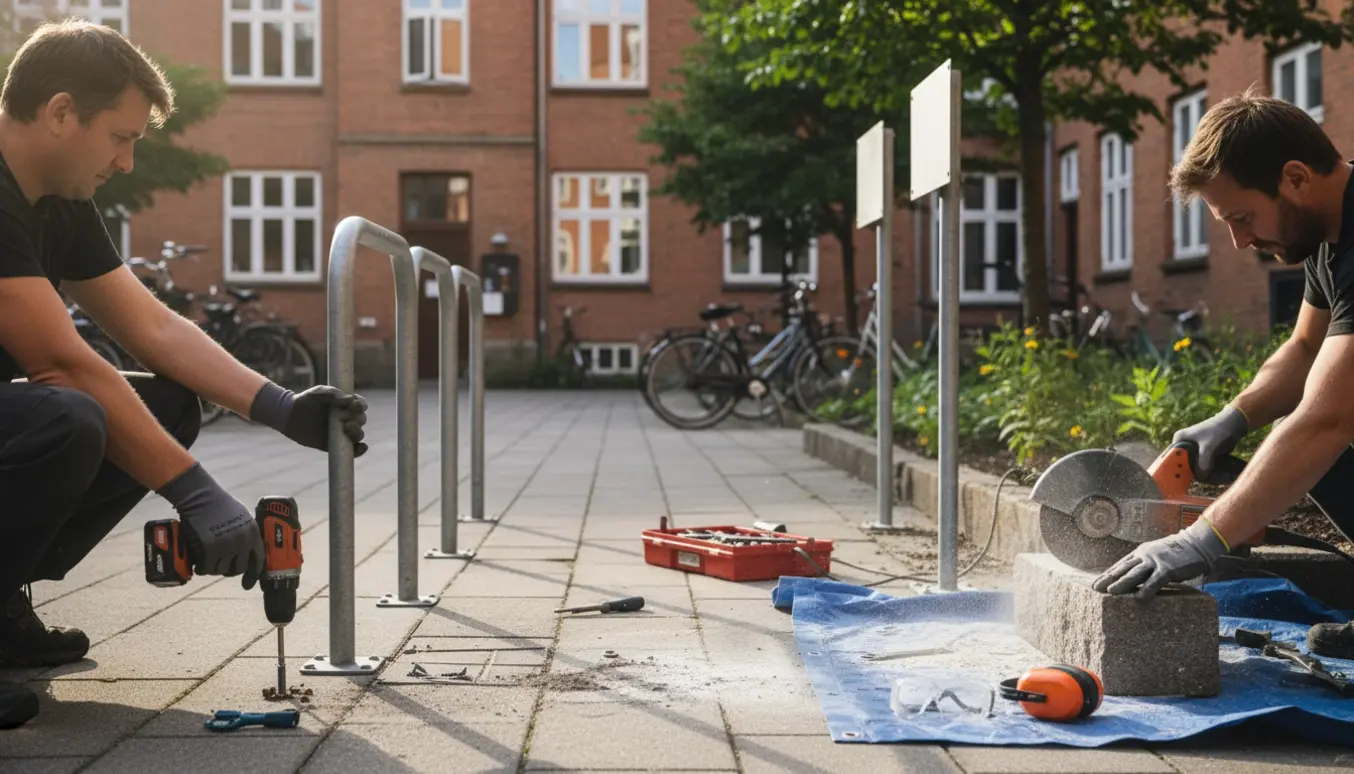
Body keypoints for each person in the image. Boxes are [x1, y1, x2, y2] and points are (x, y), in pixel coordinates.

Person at [0, 21, 368, 729]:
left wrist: (282, 407)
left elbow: (154, 328)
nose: (128, 162)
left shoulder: (57, 200)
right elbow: (64, 362)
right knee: (69, 414)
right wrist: (198, 494)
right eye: (121, 136)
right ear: (60, 113)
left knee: (166, 406)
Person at [1093, 86, 1354, 635]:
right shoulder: (1328, 235)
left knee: (1316, 438)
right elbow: (1307, 348)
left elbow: (1329, 418)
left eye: (1242, 217)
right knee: (1302, 438)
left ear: (1296, 178)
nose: (1238, 241)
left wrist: (1203, 539)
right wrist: (1233, 418)